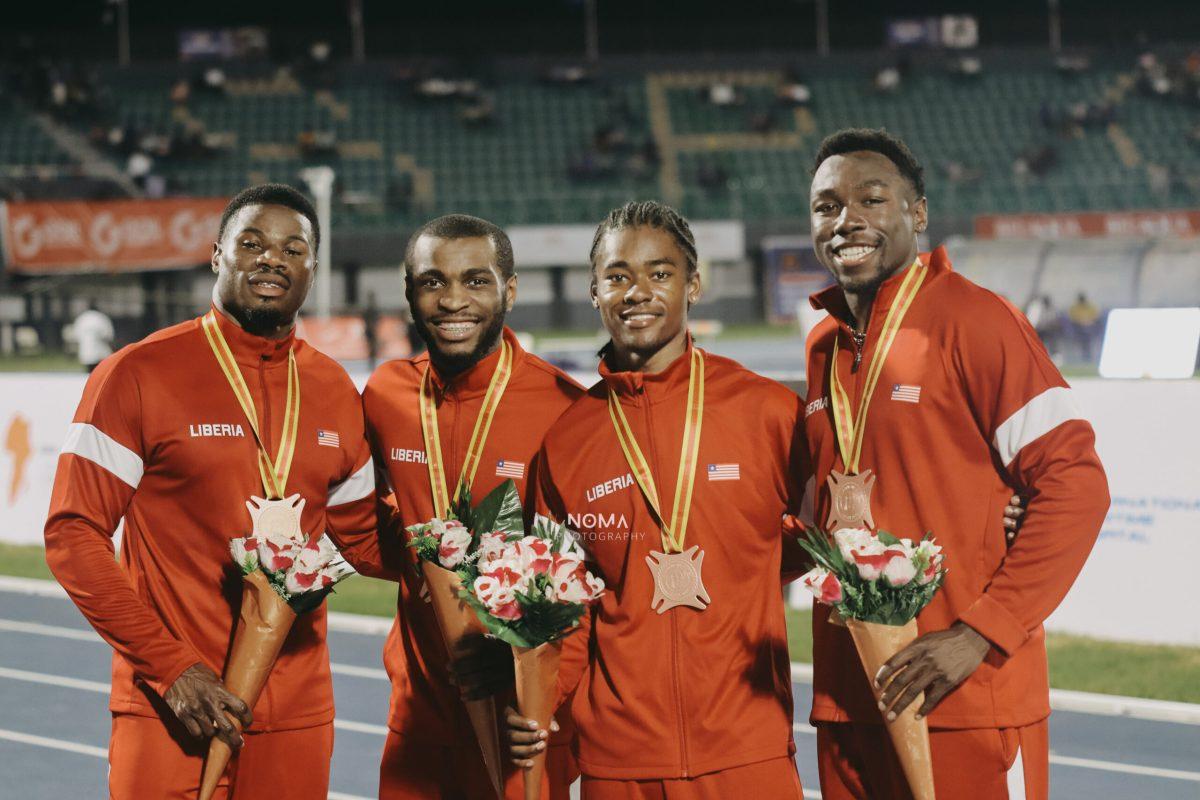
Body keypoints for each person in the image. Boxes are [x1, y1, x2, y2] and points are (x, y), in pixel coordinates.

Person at [44, 183, 402, 799]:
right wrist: (171, 667)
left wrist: (463, 554)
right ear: (217, 255)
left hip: (296, 709)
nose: (272, 259)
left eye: (294, 249)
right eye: (253, 243)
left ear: (312, 268)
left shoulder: (334, 387)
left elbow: (364, 538)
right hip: (174, 703)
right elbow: (72, 534)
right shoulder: (136, 373)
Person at [802, 128, 1109, 799]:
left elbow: (1076, 486)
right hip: (851, 706)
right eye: (826, 206)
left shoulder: (977, 320)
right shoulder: (823, 346)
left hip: (967, 698)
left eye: (871, 199)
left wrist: (979, 634)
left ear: (917, 214)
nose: (846, 219)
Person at [508, 201, 810, 799]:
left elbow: (818, 541)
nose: (637, 292)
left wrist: (739, 575)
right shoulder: (567, 442)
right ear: (595, 292)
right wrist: (535, 704)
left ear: (693, 284)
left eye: (660, 273)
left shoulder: (768, 411)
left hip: (747, 750)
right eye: (617, 276)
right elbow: (563, 608)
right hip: (619, 763)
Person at [362, 214, 585, 800]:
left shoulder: (567, 407)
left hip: (522, 720)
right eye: (433, 282)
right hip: (420, 717)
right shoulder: (384, 395)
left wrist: (546, 694)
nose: (453, 300)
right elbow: (356, 520)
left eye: (476, 281)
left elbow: (594, 573)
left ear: (510, 290)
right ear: (409, 291)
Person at [73, 300, 114, 372]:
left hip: (86, 352)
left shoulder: (82, 318)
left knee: (88, 374)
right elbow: (108, 335)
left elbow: (76, 335)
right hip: (99, 353)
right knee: (99, 373)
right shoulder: (101, 318)